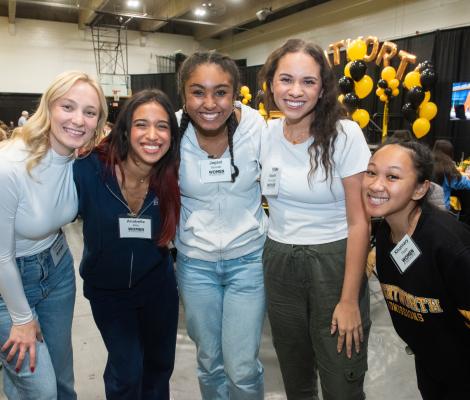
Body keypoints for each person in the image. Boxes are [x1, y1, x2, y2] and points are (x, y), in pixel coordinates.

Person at [258, 38, 371, 400]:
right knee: (294, 373)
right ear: (271, 83)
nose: (295, 91)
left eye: (308, 81)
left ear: (323, 88)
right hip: (279, 264)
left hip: (334, 263)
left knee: (341, 377)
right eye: (286, 79)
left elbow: (359, 222)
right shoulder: (265, 134)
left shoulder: (345, 135)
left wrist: (349, 299)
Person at [0, 70, 107, 399]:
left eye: (89, 112)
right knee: (40, 389)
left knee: (62, 381)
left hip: (58, 270)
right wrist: (21, 318)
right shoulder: (10, 166)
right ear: (48, 107)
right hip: (7, 285)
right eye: (68, 107)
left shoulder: (79, 159)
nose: (78, 120)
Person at [73, 89, 180, 400]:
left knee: (159, 367)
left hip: (157, 288)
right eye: (141, 124)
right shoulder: (90, 170)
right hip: (109, 292)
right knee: (127, 369)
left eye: (162, 126)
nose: (152, 135)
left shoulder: (171, 176)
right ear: (125, 129)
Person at [175, 51, 267, 400]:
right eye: (198, 92)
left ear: (235, 93)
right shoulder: (171, 129)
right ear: (184, 94)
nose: (209, 103)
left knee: (242, 368)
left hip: (248, 263)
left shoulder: (256, 127)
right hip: (195, 264)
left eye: (221, 92)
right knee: (210, 362)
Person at [362, 141, 470, 399]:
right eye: (371, 172)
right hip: (431, 367)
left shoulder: (449, 246)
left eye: (392, 177)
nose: (376, 185)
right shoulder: (387, 234)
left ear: (420, 188)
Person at [432, 139, 470, 210]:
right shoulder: (447, 169)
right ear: (449, 153)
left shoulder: (427, 163)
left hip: (425, 207)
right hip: (441, 210)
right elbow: (465, 184)